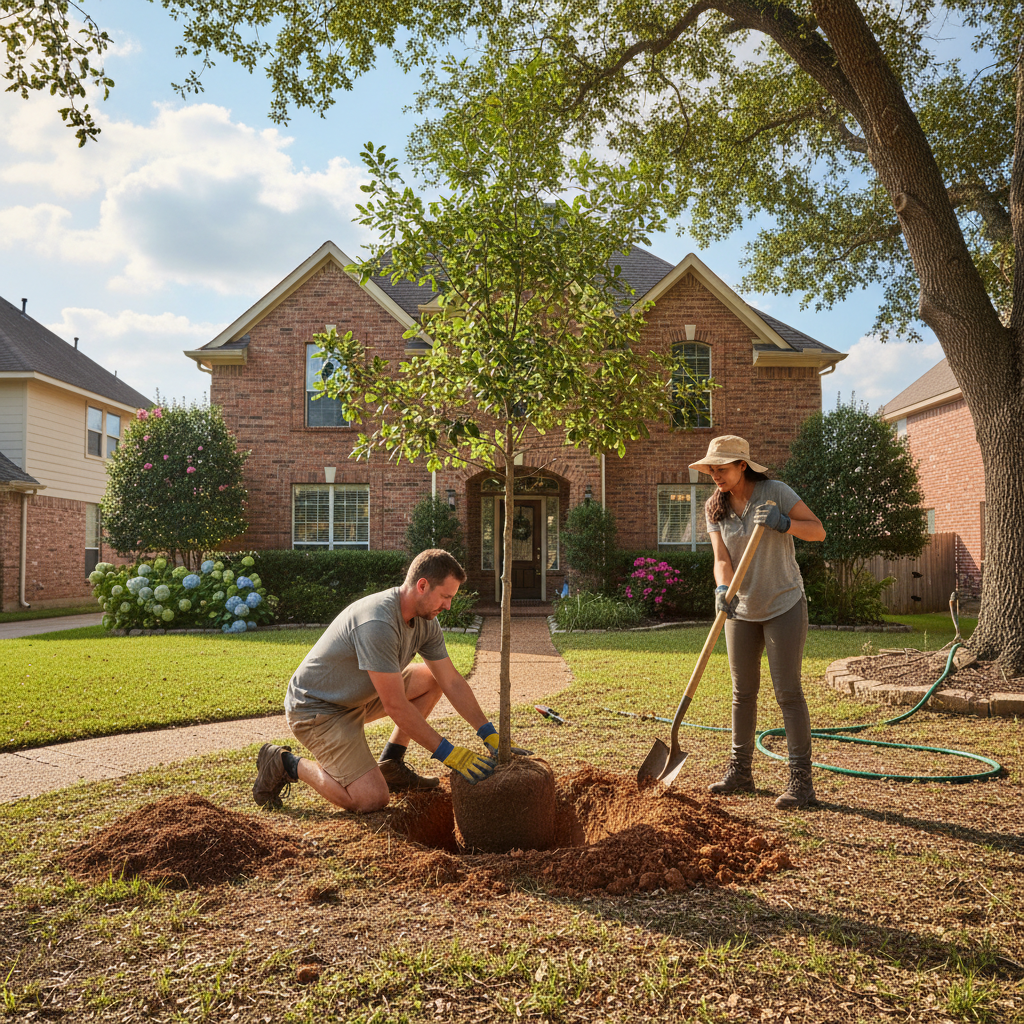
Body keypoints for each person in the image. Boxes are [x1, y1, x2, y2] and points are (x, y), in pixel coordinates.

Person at [252, 548, 508, 813]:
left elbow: (451, 681)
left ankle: (392, 763)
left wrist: (488, 734)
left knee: (432, 679)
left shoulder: (425, 621)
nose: (448, 606)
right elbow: (396, 706)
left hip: (359, 698)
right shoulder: (378, 622)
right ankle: (285, 763)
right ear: (422, 586)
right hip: (318, 710)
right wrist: (450, 754)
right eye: (445, 596)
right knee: (371, 799)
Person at [689, 435, 826, 810]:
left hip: (784, 603)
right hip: (741, 608)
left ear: (742, 466)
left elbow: (817, 530)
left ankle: (801, 783)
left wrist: (784, 523)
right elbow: (721, 557)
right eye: (712, 469)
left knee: (788, 692)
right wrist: (722, 588)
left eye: (722, 468)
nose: (715, 474)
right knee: (742, 693)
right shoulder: (714, 507)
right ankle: (741, 772)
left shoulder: (776, 492)